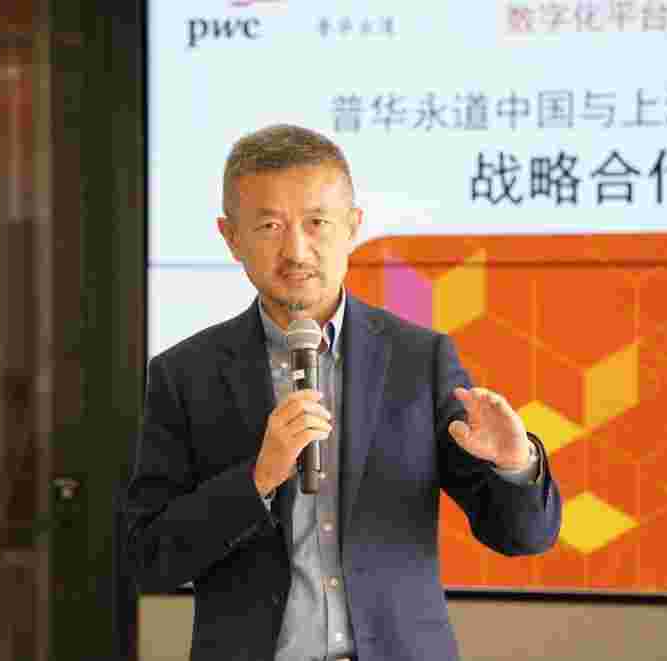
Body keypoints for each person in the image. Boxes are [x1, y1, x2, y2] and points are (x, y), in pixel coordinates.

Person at [125, 124, 561, 661]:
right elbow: (150, 559)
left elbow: (523, 537)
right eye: (269, 226)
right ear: (231, 237)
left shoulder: (418, 360)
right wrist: (258, 479)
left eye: (317, 223)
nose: (296, 250)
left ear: (353, 226)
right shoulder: (184, 374)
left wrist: (515, 466)